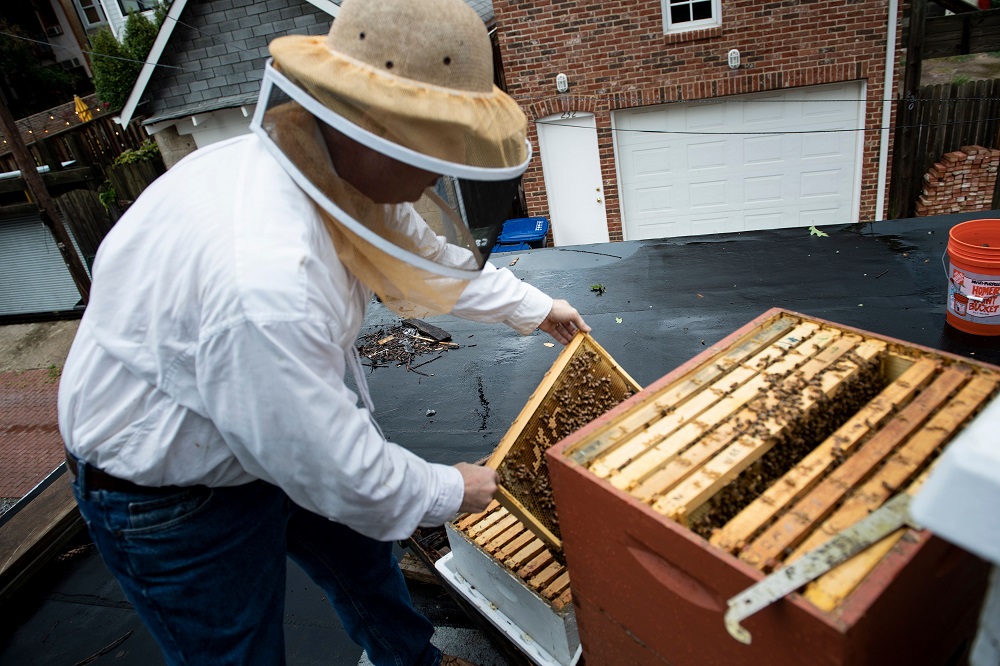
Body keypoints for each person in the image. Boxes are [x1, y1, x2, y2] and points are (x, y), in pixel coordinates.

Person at [57, 0, 590, 664]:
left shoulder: (333, 171)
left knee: (367, 568)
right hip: (170, 488)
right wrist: (453, 489)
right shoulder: (264, 279)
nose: (443, 166)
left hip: (271, 419)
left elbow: (424, 255)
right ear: (375, 128)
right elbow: (345, 475)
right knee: (237, 653)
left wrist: (534, 307)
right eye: (437, 141)